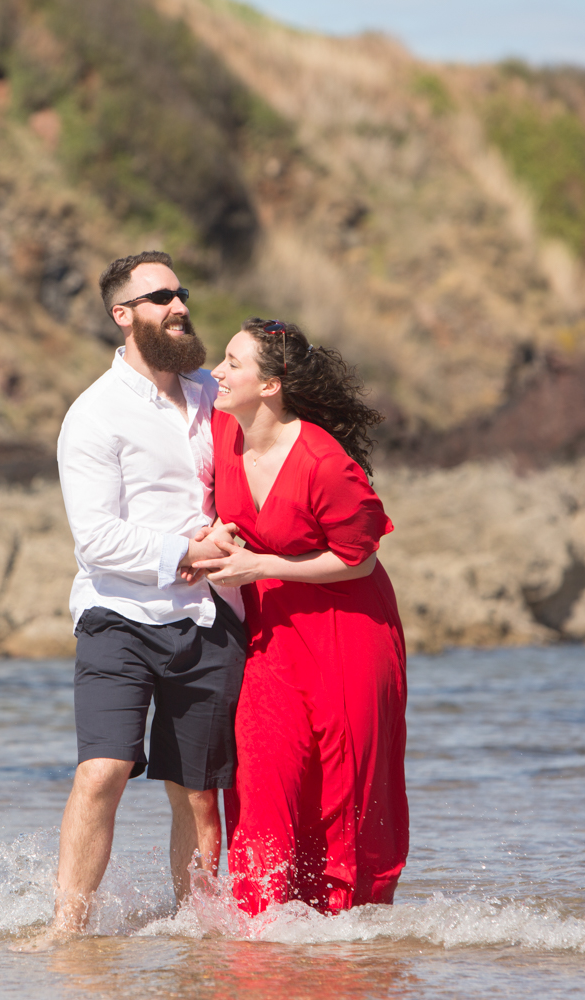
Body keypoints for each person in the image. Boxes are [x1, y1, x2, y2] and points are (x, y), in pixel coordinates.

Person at [15, 251, 246, 951]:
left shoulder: (215, 395)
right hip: (119, 616)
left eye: (181, 294)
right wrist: (185, 553)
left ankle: (197, 934)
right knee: (104, 771)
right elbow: (97, 540)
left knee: (198, 794)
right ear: (124, 316)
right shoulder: (94, 415)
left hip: (210, 619)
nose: (180, 307)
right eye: (159, 298)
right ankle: (67, 931)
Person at [192, 318, 408, 915]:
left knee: (346, 791)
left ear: (270, 385)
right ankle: (259, 934)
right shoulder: (222, 432)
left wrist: (262, 566)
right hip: (271, 640)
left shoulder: (322, 461)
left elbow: (358, 559)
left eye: (233, 363)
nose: (219, 372)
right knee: (262, 775)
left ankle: (347, 944)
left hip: (349, 635)